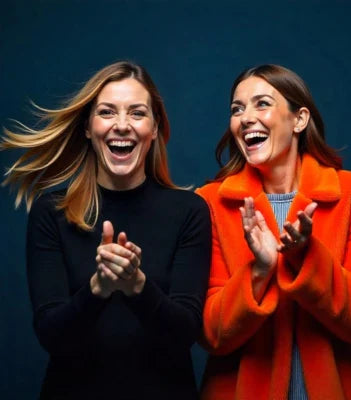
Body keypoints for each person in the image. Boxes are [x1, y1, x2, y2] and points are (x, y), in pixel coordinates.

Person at [1, 61, 211, 400]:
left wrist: (137, 286)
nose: (122, 125)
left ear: (155, 128)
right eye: (107, 112)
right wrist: (98, 289)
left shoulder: (189, 211)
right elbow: (52, 335)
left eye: (137, 113)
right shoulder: (51, 213)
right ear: (88, 127)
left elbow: (184, 333)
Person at [196, 64, 351, 400]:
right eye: (237, 109)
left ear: (299, 120)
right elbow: (211, 333)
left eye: (262, 104)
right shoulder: (210, 204)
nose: (246, 118)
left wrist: (306, 258)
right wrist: (260, 271)